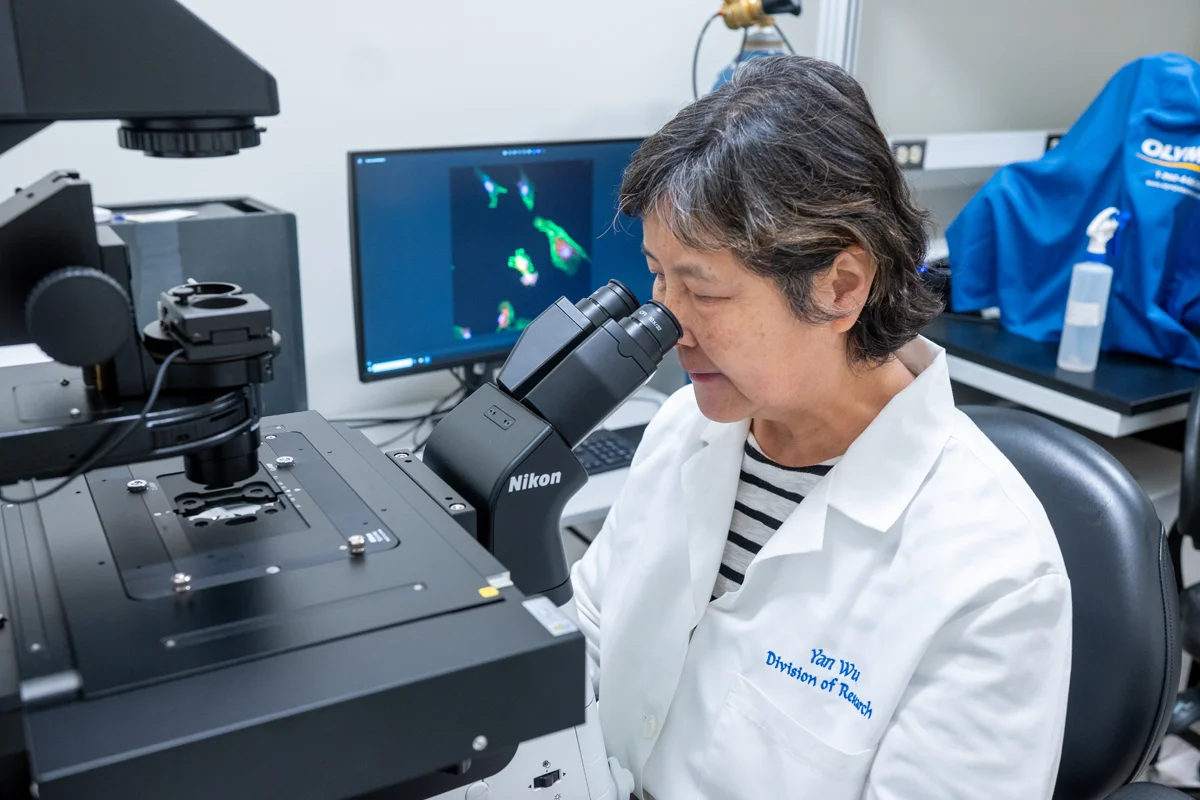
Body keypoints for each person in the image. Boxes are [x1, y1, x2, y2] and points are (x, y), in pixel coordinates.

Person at [570, 56, 1072, 800]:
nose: (663, 322)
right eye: (657, 274)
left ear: (840, 286)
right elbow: (588, 642)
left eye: (701, 289)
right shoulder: (685, 428)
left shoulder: (995, 576)